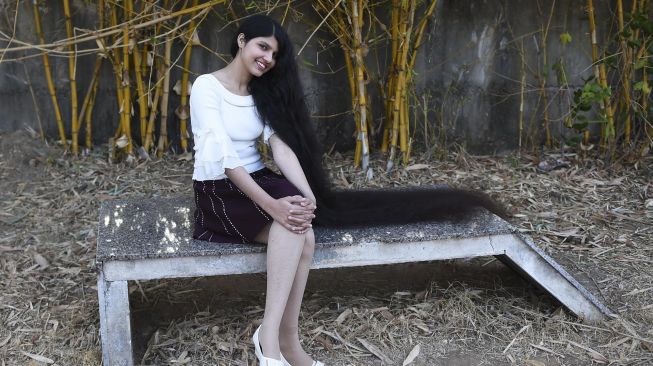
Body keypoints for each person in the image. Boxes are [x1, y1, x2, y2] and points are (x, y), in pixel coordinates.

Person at [191, 14, 507, 366]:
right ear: (241, 40)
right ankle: (269, 340)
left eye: (274, 54)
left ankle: (286, 339)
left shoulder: (259, 91)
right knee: (291, 225)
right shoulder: (207, 86)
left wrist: (306, 194)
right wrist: (275, 206)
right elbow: (225, 159)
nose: (267, 58)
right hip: (219, 189)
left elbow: (279, 144)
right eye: (262, 46)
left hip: (257, 177)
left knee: (304, 230)